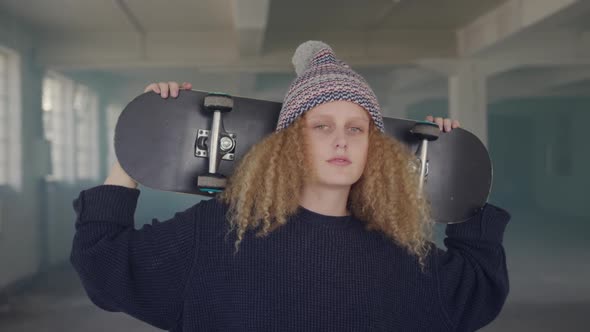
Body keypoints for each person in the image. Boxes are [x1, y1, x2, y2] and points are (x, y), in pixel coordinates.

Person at [70, 41, 510, 331]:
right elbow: (105, 268)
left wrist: (460, 169)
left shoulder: (401, 248)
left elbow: (478, 292)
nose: (341, 139)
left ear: (375, 151)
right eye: (321, 126)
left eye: (357, 130)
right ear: (289, 144)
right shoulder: (223, 230)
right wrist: (139, 142)